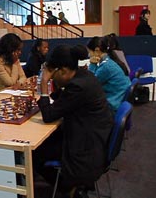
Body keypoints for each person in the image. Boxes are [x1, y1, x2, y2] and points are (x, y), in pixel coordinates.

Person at [34, 44, 113, 198]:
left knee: (35, 153)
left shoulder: (78, 86)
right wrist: (54, 84)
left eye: (52, 74)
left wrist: (44, 84)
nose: (50, 78)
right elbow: (62, 101)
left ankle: (66, 187)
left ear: (63, 70)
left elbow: (48, 115)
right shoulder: (84, 76)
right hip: (92, 137)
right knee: (47, 143)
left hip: (84, 149)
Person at [87, 36, 131, 113]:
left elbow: (91, 84)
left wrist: (92, 64)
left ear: (97, 50)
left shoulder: (106, 66)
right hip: (117, 98)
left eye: (89, 52)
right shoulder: (109, 61)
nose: (89, 55)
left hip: (112, 103)